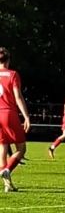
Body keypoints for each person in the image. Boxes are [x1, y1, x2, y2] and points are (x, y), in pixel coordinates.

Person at [0, 47, 30, 193]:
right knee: (21, 149)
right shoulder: (12, 74)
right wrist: (26, 116)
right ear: (9, 60)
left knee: (2, 148)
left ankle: (7, 184)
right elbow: (18, 97)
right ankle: (8, 170)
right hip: (8, 113)